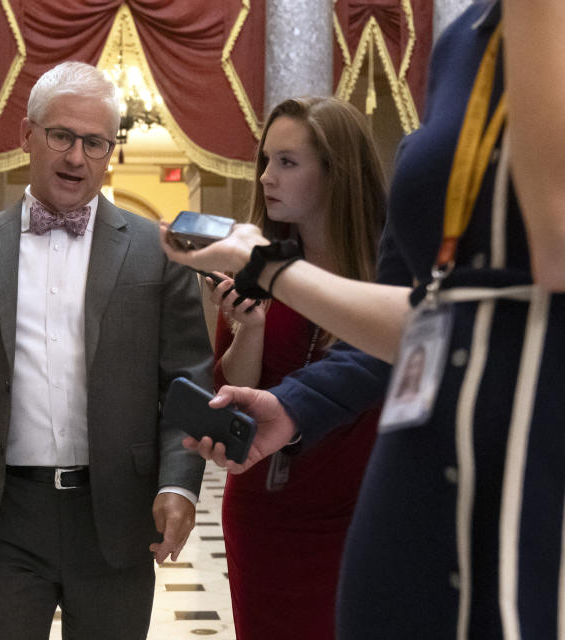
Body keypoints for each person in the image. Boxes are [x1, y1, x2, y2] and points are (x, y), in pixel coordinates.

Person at [161, 0, 565, 636]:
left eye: (288, 162)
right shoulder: (463, 37)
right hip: (424, 447)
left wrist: (268, 267)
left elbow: (551, 251)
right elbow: (422, 314)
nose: (269, 177)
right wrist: (297, 404)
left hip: (521, 430)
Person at [0, 61, 213, 640]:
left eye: (94, 143)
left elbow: (187, 383)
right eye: (61, 136)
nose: (76, 158)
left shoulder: (157, 251)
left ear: (110, 151)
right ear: (27, 135)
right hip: (2, 515)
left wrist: (178, 484)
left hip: (117, 513)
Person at [203, 97, 384, 640]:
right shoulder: (254, 267)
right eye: (265, 160)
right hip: (265, 513)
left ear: (337, 173)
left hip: (366, 513)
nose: (264, 177)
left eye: (287, 162)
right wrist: (249, 330)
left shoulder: (387, 272)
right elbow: (231, 393)